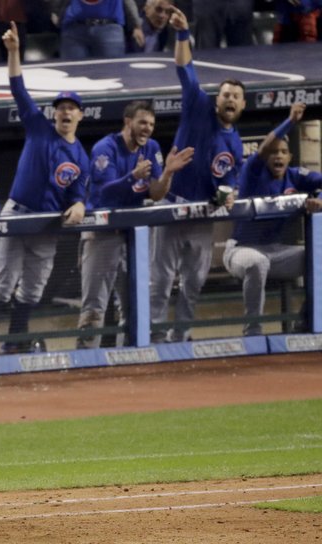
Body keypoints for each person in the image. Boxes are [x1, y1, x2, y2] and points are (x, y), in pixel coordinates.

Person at [0, 21, 88, 355]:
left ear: (81, 115)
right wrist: (14, 52)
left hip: (47, 223)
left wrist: (80, 205)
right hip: (18, 212)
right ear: (54, 115)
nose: (65, 112)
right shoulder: (39, 127)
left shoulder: (81, 155)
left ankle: (14, 343)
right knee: (4, 281)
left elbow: (78, 193)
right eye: (61, 108)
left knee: (33, 288)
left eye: (71, 108)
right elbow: (18, 88)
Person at [149, 7, 245, 343]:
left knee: (193, 282)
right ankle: (155, 338)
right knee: (159, 280)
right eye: (225, 94)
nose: (229, 99)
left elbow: (228, 183)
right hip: (172, 205)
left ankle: (182, 336)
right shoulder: (198, 103)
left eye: (236, 96)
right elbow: (184, 66)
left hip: (203, 214)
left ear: (243, 105)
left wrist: (227, 194)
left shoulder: (235, 143)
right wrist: (181, 33)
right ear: (216, 99)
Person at [76, 100, 194, 349]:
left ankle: (130, 360)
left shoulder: (151, 148)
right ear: (128, 122)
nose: (147, 128)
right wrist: (133, 177)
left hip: (135, 238)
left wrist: (168, 173)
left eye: (151, 124)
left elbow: (156, 193)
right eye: (142, 122)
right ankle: (84, 361)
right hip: (103, 235)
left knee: (135, 305)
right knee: (94, 307)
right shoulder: (105, 148)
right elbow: (102, 194)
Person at [223, 102, 322, 336]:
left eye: (283, 152)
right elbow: (264, 146)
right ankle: (253, 331)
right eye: (273, 152)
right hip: (240, 250)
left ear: (290, 157)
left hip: (277, 251)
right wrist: (291, 121)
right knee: (257, 263)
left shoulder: (295, 176)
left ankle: (309, 320)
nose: (277, 156)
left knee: (318, 257)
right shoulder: (252, 171)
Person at [57, 0, 142, 59]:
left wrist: (135, 24)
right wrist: (56, 12)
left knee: (111, 74)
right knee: (72, 75)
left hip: (109, 29)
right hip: (74, 29)